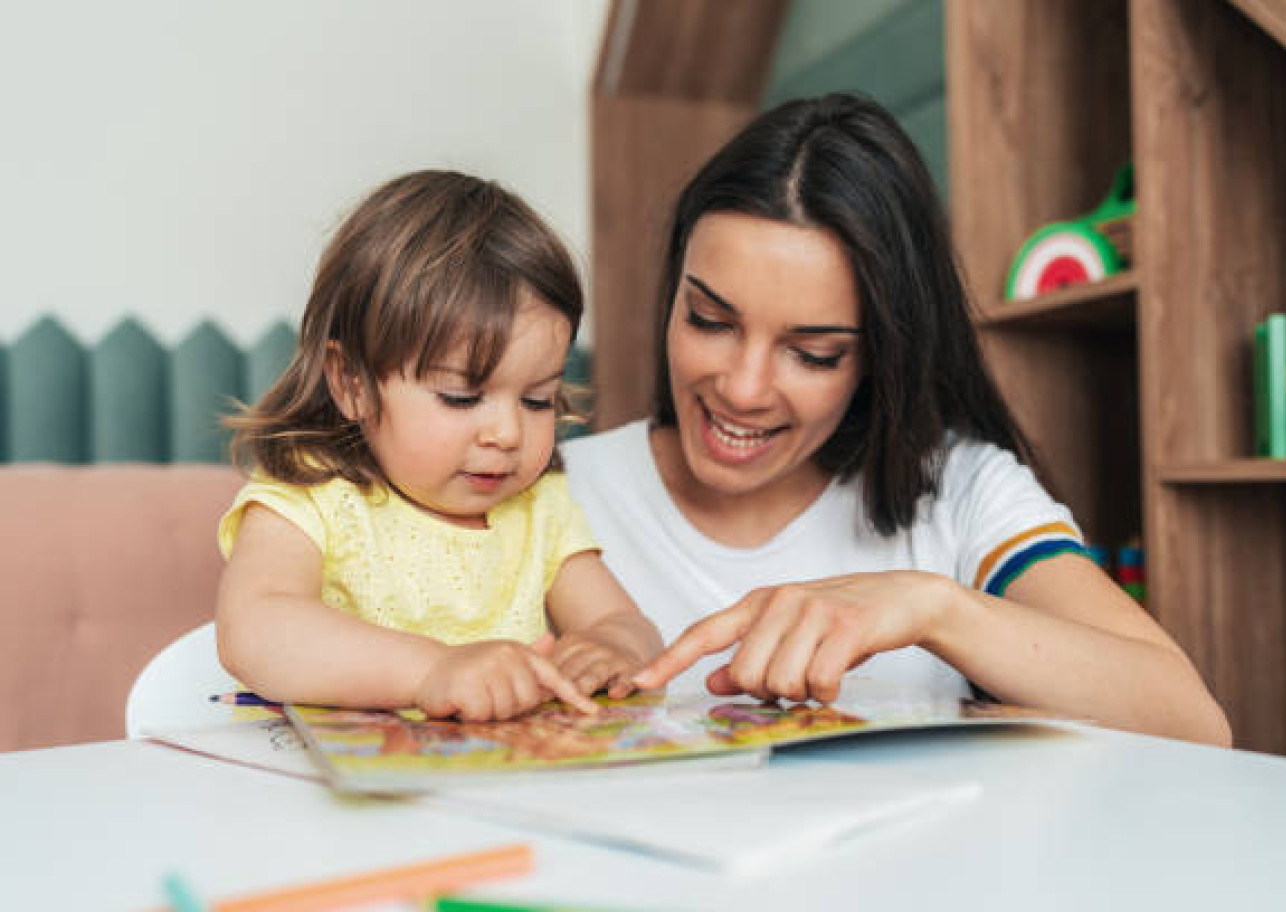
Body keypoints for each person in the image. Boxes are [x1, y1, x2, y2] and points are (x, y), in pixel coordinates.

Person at [562, 94, 1231, 746]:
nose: (742, 387)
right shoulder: (554, 491)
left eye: (813, 354)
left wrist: (930, 607)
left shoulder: (960, 492)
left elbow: (1192, 721)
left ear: (883, 355)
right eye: (709, 320)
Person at [216, 171, 662, 722]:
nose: (508, 434)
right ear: (352, 382)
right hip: (316, 793)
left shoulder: (537, 507)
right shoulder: (311, 496)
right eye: (460, 397)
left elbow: (627, 624)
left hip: (481, 790)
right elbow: (254, 629)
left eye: (537, 399)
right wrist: (431, 670)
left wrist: (612, 646)